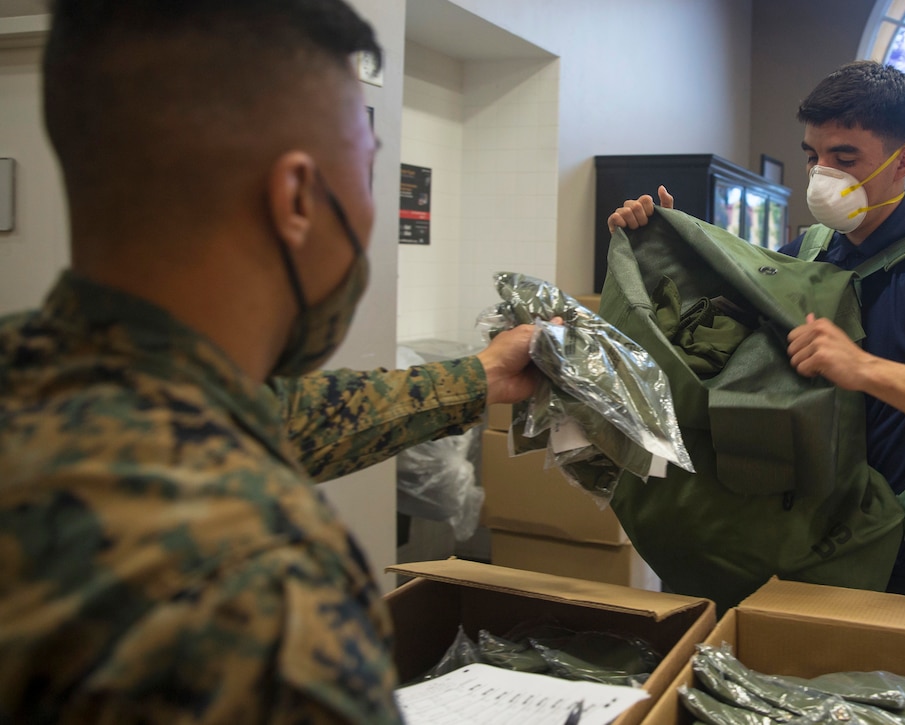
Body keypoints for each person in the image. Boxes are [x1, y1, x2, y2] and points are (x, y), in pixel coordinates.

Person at [0, 1, 542, 722]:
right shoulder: (256, 589)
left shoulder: (39, 369)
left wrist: (476, 376)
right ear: (296, 197)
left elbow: (274, 415)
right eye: (368, 171)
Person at [607, 60, 905, 604]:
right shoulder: (809, 253)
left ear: (904, 161)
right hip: (802, 548)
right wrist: (668, 248)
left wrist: (866, 369)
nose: (823, 175)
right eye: (813, 157)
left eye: (845, 158)